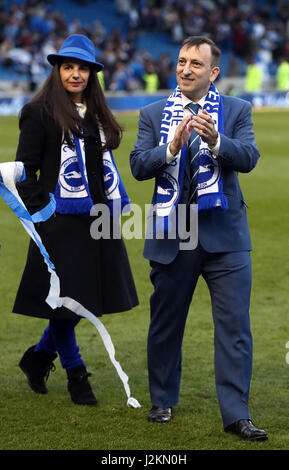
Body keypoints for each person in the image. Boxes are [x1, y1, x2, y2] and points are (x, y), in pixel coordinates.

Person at [130, 36, 268, 441]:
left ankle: (236, 414)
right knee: (166, 324)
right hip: (173, 234)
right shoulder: (153, 114)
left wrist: (216, 141)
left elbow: (249, 157)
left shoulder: (237, 110)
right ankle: (162, 398)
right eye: (181, 61)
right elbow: (138, 165)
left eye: (195, 63)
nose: (186, 68)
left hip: (226, 236)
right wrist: (170, 149)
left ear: (214, 73)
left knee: (234, 327)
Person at [14, 34, 138, 406]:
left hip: (98, 221)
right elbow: (26, 173)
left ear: (91, 74)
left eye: (82, 68)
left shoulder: (97, 113)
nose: (75, 74)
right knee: (66, 301)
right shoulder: (37, 112)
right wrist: (44, 210)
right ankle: (76, 374)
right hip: (58, 224)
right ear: (57, 70)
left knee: (82, 298)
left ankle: (37, 359)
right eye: (68, 67)